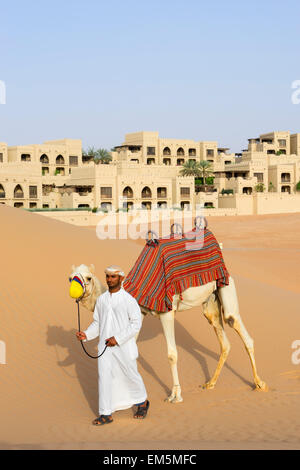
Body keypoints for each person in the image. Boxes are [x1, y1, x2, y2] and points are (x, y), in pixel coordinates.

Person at [76, 265, 149, 425]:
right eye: (108, 276)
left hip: (124, 346)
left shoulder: (129, 300)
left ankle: (142, 402)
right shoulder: (101, 300)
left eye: (113, 277)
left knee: (130, 374)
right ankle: (105, 413)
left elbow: (136, 324)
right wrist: (87, 334)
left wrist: (118, 338)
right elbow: (98, 322)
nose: (109, 280)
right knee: (105, 377)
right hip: (105, 347)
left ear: (121, 278)